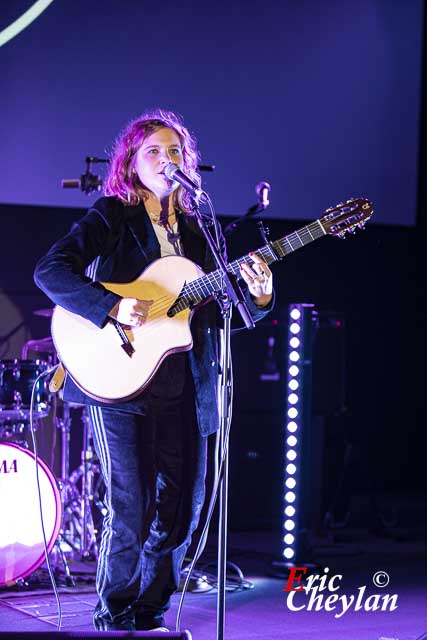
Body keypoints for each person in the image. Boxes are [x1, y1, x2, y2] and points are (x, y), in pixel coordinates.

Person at [34, 108, 273, 632]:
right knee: (132, 505)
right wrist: (112, 306)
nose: (167, 160)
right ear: (131, 163)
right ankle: (115, 614)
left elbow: (222, 310)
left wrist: (258, 295)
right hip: (117, 379)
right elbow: (50, 270)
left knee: (184, 508)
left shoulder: (199, 229)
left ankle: (150, 614)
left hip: (186, 384)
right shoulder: (111, 216)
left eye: (175, 151)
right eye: (154, 152)